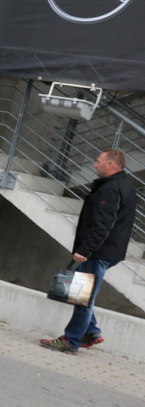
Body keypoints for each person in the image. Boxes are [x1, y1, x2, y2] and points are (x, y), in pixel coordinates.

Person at [40, 150, 137, 355]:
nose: (95, 165)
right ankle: (90, 332)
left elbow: (102, 224)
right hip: (108, 251)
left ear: (110, 165)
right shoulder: (125, 185)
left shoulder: (110, 189)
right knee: (80, 294)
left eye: (98, 161)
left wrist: (86, 249)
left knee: (83, 298)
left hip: (98, 252)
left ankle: (71, 341)